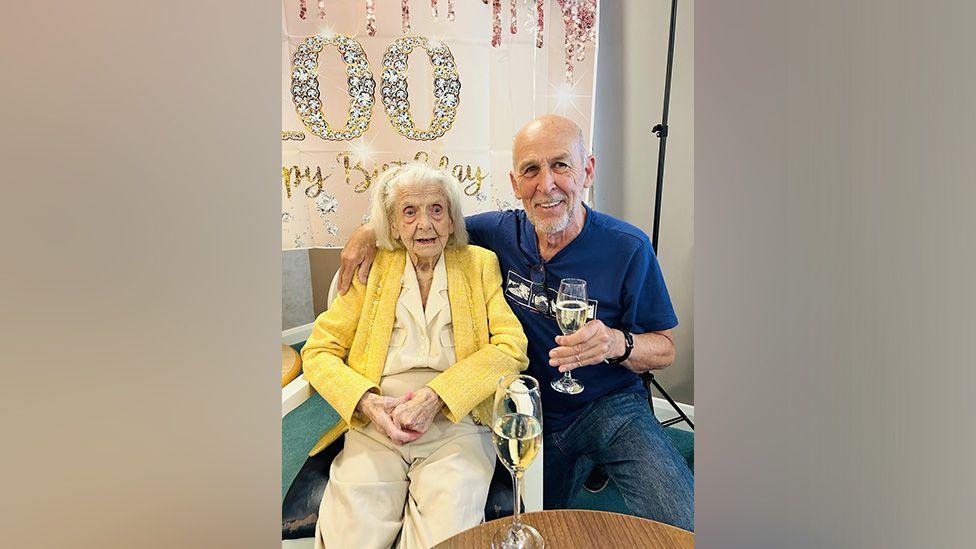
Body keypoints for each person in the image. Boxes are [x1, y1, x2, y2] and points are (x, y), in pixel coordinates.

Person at [338, 114, 694, 531]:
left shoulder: (628, 247)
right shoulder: (496, 233)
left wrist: (618, 343)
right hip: (530, 409)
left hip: (610, 406)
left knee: (682, 521)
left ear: (588, 171)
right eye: (531, 170)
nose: (546, 185)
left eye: (561, 165)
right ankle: (584, 465)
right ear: (514, 183)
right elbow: (424, 225)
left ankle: (598, 458)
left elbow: (664, 348)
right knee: (535, 529)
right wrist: (367, 230)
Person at [301, 162, 529, 549]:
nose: (425, 224)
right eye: (410, 212)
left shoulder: (478, 264)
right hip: (377, 423)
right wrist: (367, 403)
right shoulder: (372, 267)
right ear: (392, 225)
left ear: (452, 220)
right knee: (352, 534)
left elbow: (511, 345)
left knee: (446, 535)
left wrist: (436, 396)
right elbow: (319, 350)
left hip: (456, 423)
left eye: (437, 210)